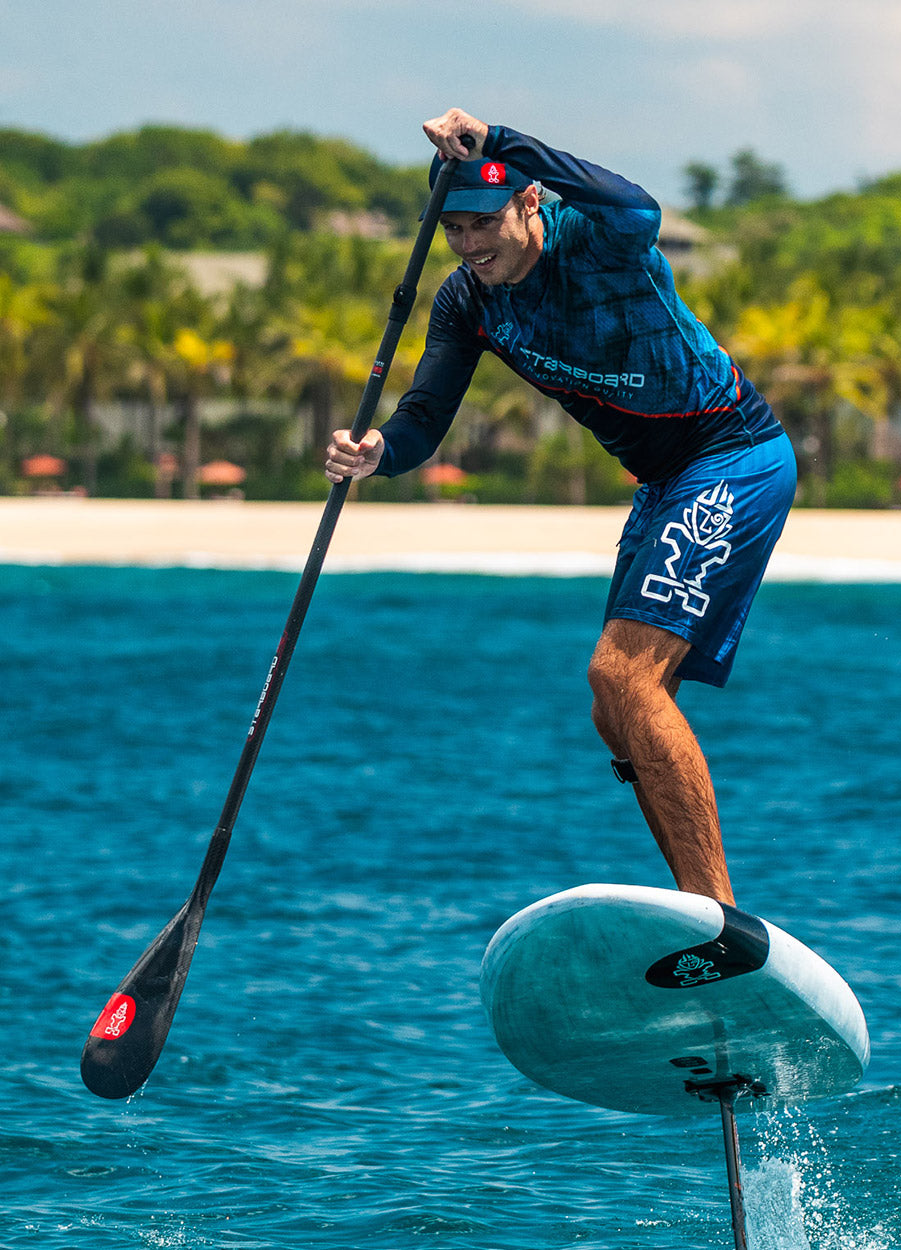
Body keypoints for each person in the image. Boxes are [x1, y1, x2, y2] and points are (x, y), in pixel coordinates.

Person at [326, 108, 797, 905]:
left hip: (732, 454)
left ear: (529, 202)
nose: (471, 246)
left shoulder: (596, 240)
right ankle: (696, 911)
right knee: (612, 714)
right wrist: (379, 453)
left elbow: (640, 209)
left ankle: (717, 913)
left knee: (622, 673)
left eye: (484, 224)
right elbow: (426, 414)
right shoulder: (466, 302)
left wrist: (502, 139)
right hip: (662, 484)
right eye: (454, 230)